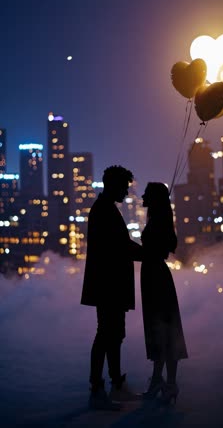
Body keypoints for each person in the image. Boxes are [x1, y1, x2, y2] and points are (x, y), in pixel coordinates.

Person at [81, 165, 142, 410]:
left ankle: (113, 385)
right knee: (107, 334)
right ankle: (99, 389)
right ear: (114, 185)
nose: (127, 192)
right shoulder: (104, 211)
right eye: (125, 187)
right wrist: (149, 253)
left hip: (108, 284)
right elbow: (120, 247)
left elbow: (121, 245)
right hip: (109, 285)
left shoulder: (104, 209)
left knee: (112, 334)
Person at [140, 182, 188, 404]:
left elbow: (153, 250)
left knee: (162, 328)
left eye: (147, 194)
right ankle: (165, 382)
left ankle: (165, 382)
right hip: (155, 276)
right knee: (162, 328)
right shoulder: (161, 219)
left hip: (155, 278)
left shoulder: (158, 222)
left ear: (154, 198)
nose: (142, 196)